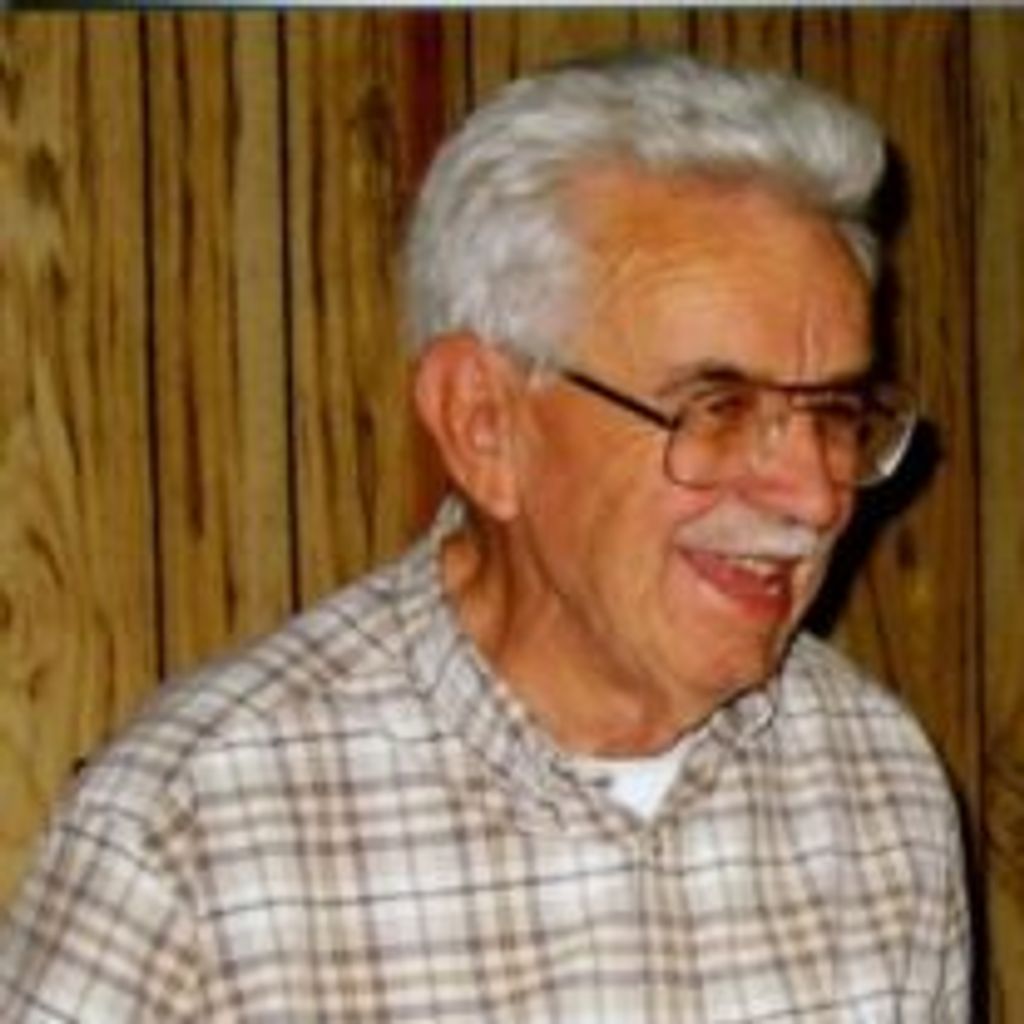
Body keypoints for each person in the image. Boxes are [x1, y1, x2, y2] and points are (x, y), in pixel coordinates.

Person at [0, 51, 969, 1021]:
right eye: (716, 407)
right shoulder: (190, 836)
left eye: (835, 412)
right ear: (483, 423)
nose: (812, 494)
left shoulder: (874, 781)